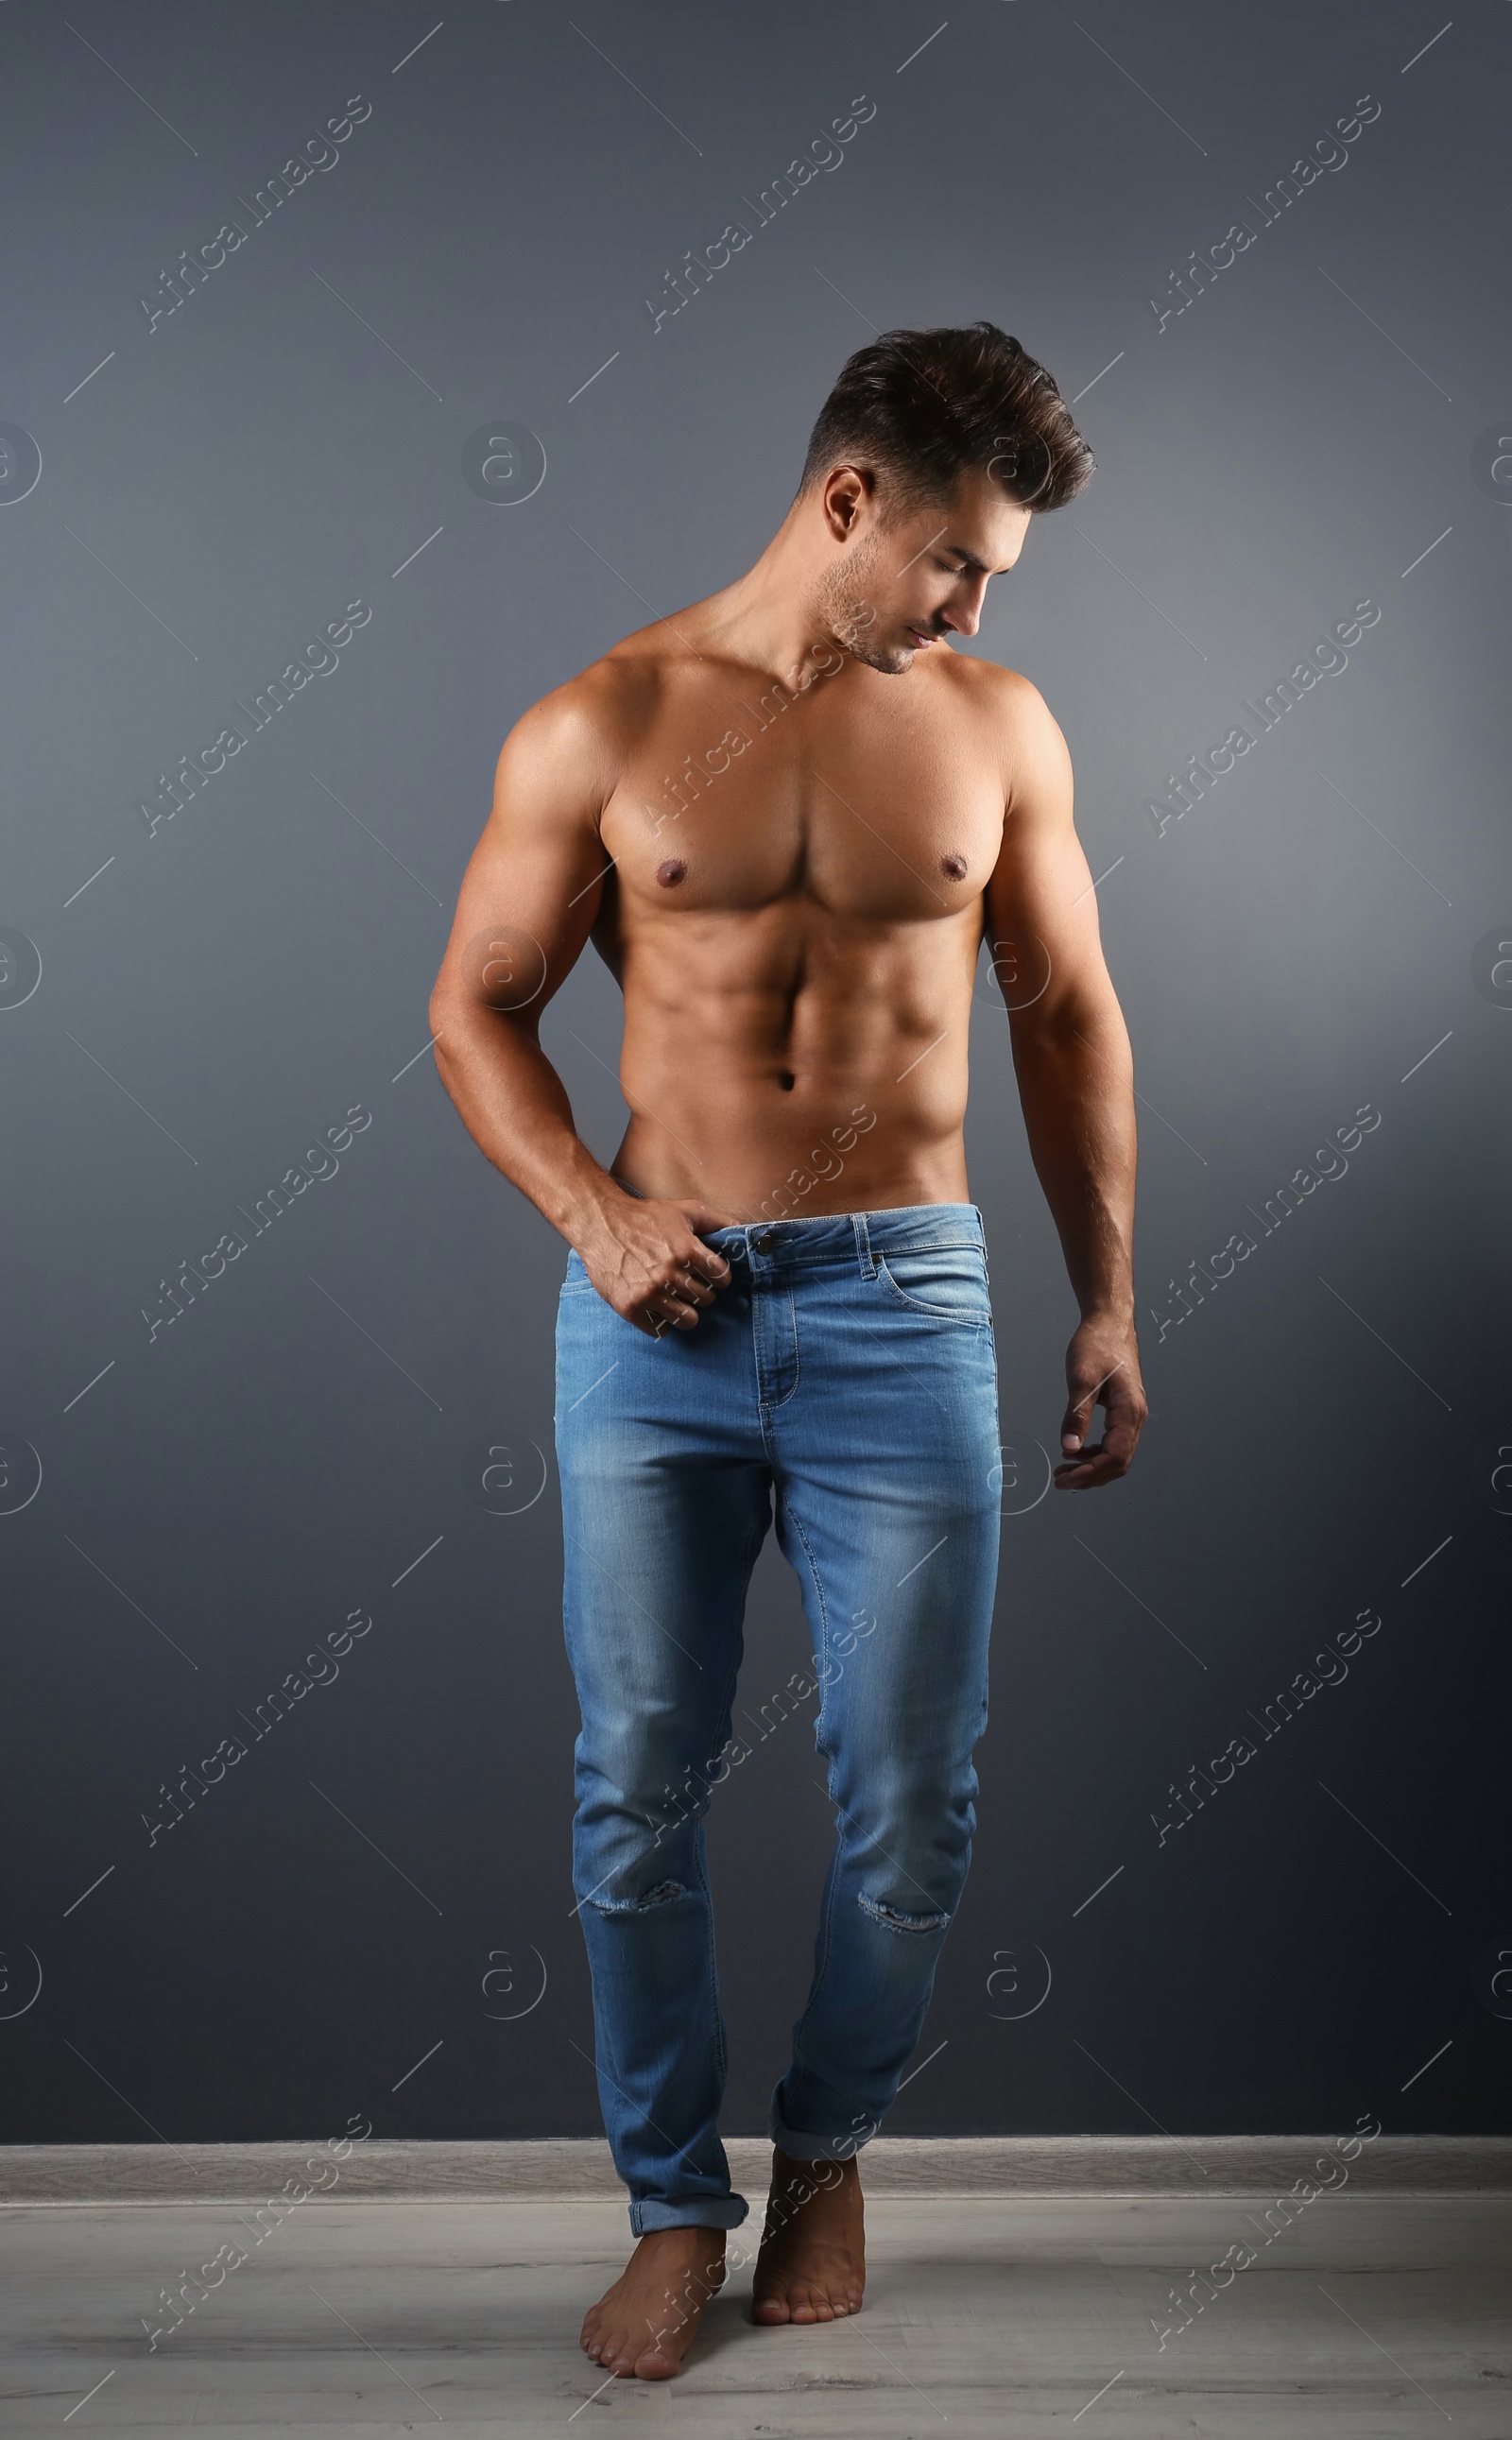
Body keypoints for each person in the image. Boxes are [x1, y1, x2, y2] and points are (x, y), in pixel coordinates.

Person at [429, 320, 1147, 2381]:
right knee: (631, 1784)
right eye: (953, 560)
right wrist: (594, 1215)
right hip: (656, 1314)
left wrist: (1103, 1295)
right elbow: (475, 1005)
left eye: (992, 576)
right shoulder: (605, 720)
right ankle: (674, 2200)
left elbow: (1065, 1017)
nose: (973, 603)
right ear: (845, 501)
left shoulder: (998, 730)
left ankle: (826, 2145)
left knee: (908, 1797)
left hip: (905, 1302)